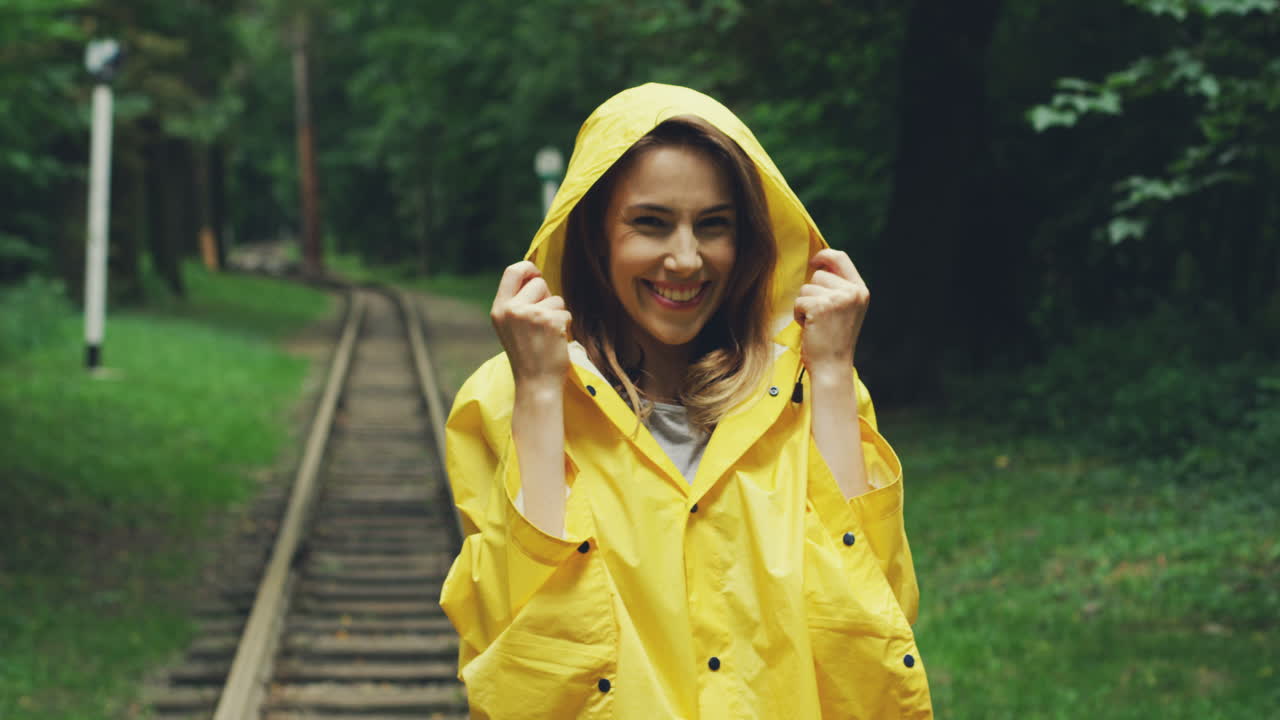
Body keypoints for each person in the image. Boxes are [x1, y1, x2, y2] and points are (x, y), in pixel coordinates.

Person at [440, 83, 933, 719]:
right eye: (650, 223)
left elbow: (875, 619)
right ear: (593, 235)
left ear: (749, 239)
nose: (685, 259)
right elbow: (516, 653)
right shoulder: (502, 398)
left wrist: (834, 372)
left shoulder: (813, 389)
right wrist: (540, 392)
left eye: (713, 226)